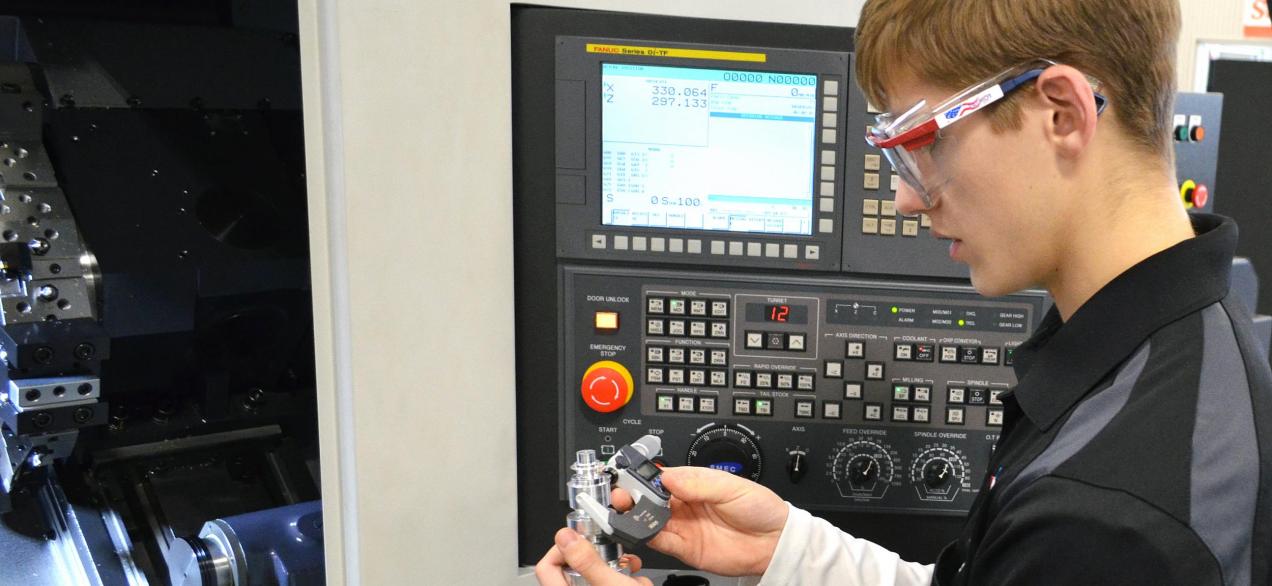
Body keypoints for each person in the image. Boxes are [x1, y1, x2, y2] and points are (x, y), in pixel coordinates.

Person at [537, 0, 1272, 583]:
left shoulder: (1110, 519)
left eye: (923, 143)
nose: (905, 200)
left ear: (1062, 112)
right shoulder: (1172, 354)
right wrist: (790, 552)